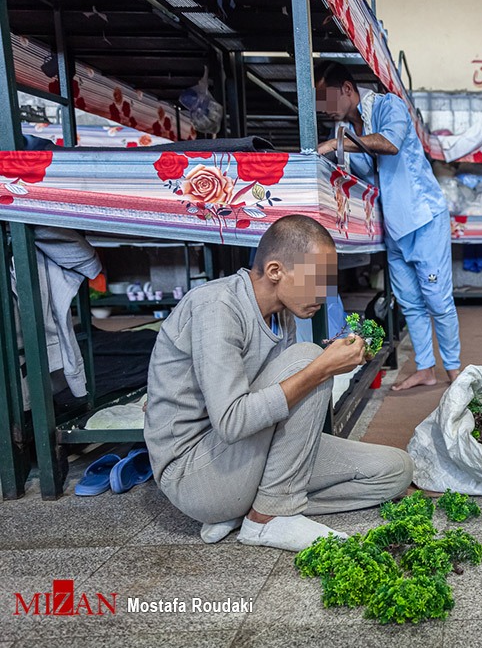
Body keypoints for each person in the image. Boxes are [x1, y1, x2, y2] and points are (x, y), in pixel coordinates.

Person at [144, 215, 414, 551]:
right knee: (306, 360)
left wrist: (324, 366)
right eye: (317, 280)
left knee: (394, 470)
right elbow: (231, 422)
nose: (325, 293)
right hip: (196, 473)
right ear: (275, 271)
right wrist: (319, 369)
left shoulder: (282, 311)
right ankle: (266, 520)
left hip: (247, 459)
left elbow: (280, 405)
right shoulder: (217, 307)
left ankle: (256, 506)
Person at [316, 62, 461, 391]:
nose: (324, 109)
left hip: (423, 218)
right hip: (393, 227)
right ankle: (426, 368)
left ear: (349, 90)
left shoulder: (388, 105)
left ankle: (454, 370)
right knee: (410, 301)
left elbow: (389, 144)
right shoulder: (344, 129)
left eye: (327, 99)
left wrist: (336, 145)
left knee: (437, 299)